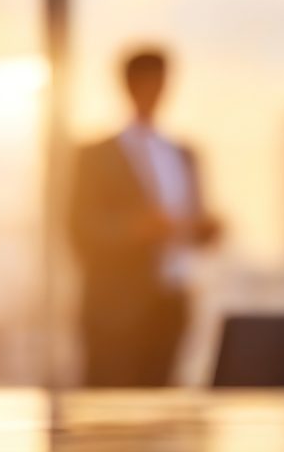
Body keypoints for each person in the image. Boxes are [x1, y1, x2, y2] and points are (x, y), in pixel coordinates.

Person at [69, 48, 221, 388]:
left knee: (163, 394)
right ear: (128, 85)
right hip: (114, 306)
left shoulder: (183, 153)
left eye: (161, 82)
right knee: (109, 401)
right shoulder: (95, 155)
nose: (155, 91)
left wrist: (205, 229)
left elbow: (194, 225)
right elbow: (79, 228)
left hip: (172, 299)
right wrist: (135, 230)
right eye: (147, 82)